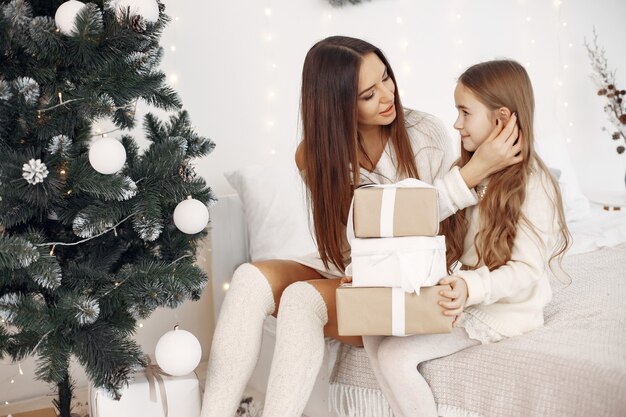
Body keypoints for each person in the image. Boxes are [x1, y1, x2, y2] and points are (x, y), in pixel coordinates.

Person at [201, 37, 521, 417]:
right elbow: (364, 224)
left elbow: (439, 229)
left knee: (301, 300)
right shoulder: (315, 153)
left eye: (387, 78)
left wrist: (474, 173)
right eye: (368, 94)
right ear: (336, 104)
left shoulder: (426, 133)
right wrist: (471, 173)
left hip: (405, 276)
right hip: (353, 265)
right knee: (248, 281)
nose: (388, 95)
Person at [362, 59, 571, 417]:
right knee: (372, 329)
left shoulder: (533, 185)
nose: (456, 124)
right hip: (467, 296)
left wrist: (469, 287)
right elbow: (433, 233)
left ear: (501, 119)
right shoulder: (465, 173)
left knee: (395, 355)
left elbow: (526, 270)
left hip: (501, 309)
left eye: (464, 112)